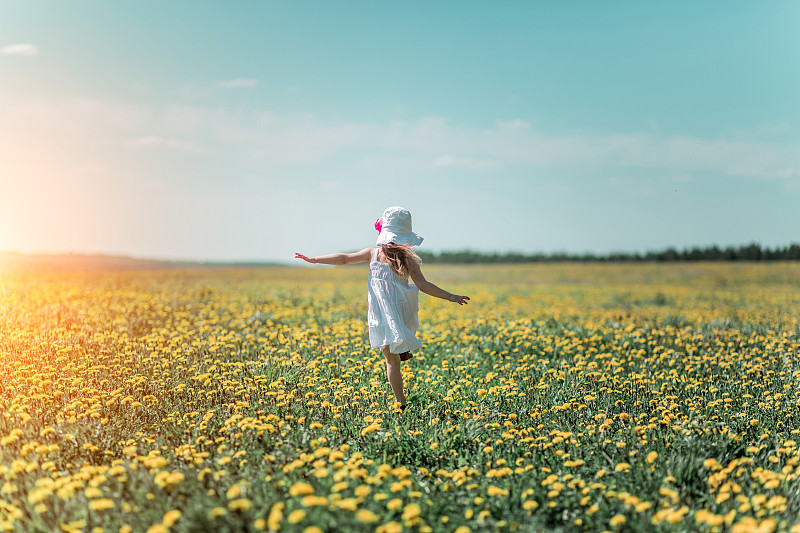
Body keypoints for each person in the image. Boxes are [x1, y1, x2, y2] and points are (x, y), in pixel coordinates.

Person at [295, 206, 469, 412]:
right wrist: (450, 296)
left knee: (391, 360)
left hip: (384, 311)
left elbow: (343, 259)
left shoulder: (376, 253)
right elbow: (424, 285)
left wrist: (314, 260)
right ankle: (401, 372)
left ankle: (401, 403)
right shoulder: (405, 258)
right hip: (396, 308)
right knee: (393, 356)